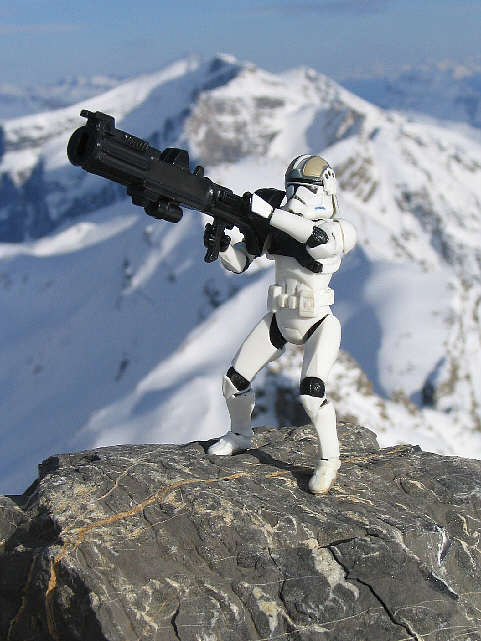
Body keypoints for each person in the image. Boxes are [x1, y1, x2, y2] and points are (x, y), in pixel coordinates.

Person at [205, 155, 357, 494]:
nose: (296, 197)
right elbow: (240, 263)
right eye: (292, 188)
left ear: (325, 189)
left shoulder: (340, 230)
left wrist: (271, 214)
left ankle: (330, 460)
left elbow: (317, 241)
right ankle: (240, 434)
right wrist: (224, 245)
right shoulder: (277, 225)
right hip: (280, 319)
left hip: (318, 323)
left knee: (312, 394)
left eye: (306, 189)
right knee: (234, 380)